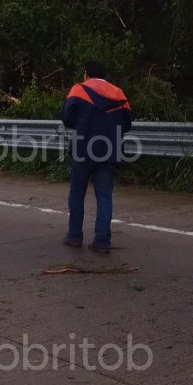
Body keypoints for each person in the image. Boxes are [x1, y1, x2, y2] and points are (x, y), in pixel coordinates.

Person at [60, 61, 133, 254]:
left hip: (83, 149)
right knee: (104, 196)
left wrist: (84, 124)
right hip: (109, 150)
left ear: (86, 75)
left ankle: (74, 237)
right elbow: (127, 125)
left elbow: (66, 118)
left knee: (77, 192)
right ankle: (102, 241)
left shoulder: (79, 90)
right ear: (105, 75)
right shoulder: (119, 93)